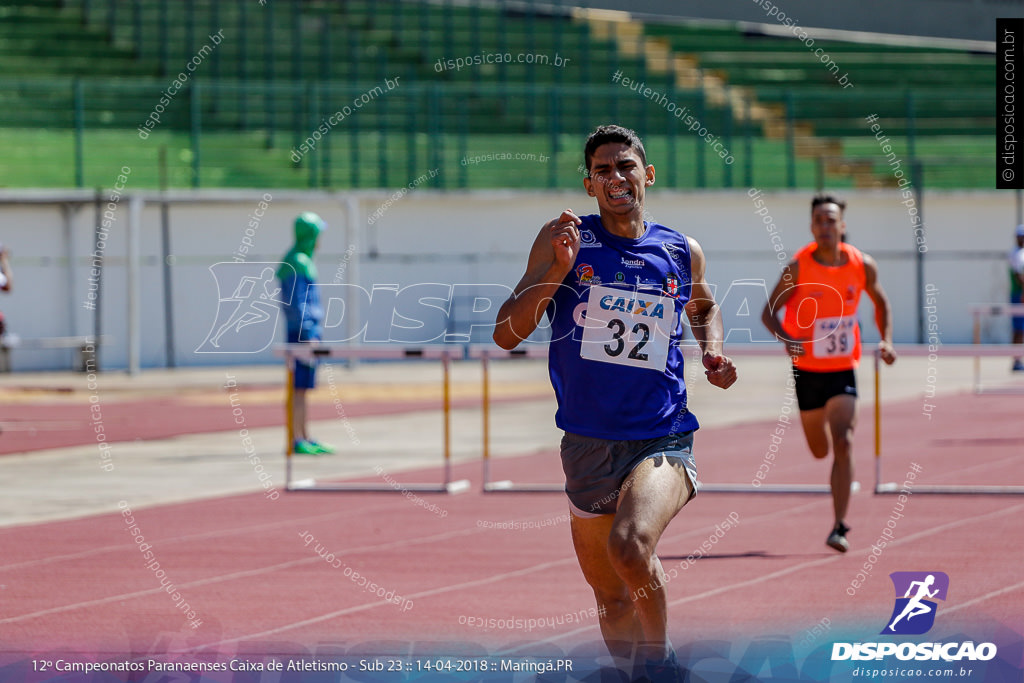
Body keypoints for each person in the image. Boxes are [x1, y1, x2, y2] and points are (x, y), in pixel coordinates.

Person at [493, 124, 737, 681]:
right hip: (585, 441)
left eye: (625, 165)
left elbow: (703, 308)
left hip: (662, 434)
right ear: (589, 184)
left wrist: (714, 355)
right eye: (602, 170)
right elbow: (506, 334)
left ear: (647, 174)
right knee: (610, 597)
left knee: (631, 546)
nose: (615, 177)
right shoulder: (566, 240)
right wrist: (557, 270)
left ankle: (661, 663)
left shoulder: (680, 249)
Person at [761, 195, 896, 553]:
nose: (825, 226)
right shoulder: (798, 268)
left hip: (842, 368)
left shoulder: (861, 265)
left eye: (831, 220)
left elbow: (881, 302)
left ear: (842, 226)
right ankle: (834, 483)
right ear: (811, 227)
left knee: (844, 441)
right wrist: (788, 339)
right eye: (818, 220)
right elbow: (768, 312)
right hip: (806, 369)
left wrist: (886, 341)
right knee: (820, 450)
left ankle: (839, 525)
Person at [277, 212, 334, 455]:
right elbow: (298, 303)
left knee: (303, 387)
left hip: (306, 331)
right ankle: (296, 438)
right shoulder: (297, 262)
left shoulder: (301, 260)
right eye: (318, 232)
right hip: (302, 334)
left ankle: (303, 435)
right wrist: (308, 332)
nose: (321, 238)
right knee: (298, 387)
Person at [1009, 224, 1024, 372]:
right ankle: (1016, 361)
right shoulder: (1016, 254)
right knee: (1019, 329)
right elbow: (1018, 276)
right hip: (1019, 295)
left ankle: (1018, 359)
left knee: (1021, 329)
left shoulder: (1021, 252)